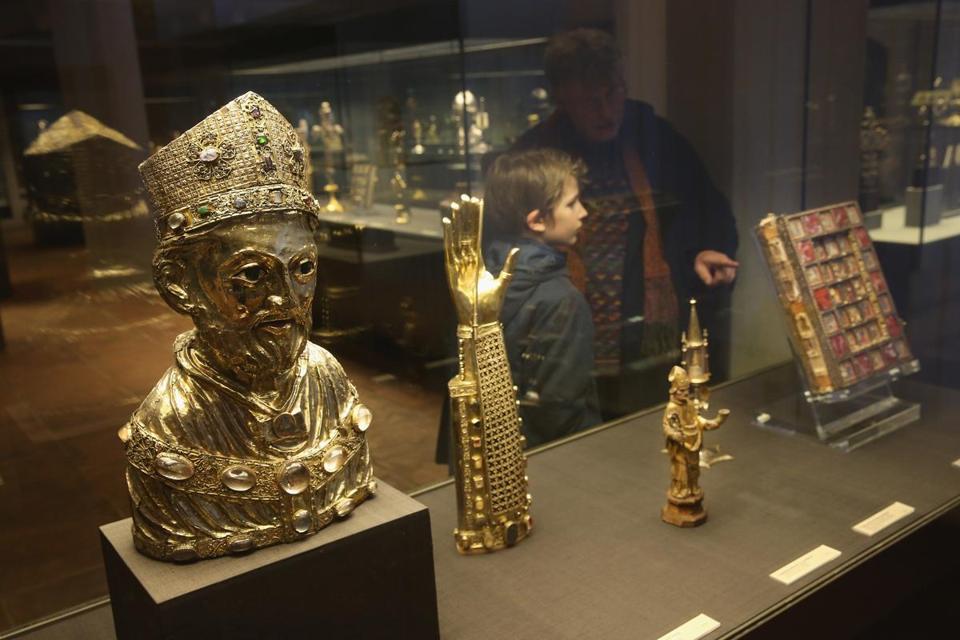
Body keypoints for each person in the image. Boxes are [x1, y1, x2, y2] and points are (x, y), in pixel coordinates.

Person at [123, 92, 375, 562]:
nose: (285, 299)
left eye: (301, 268)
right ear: (180, 285)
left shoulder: (328, 378)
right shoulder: (171, 422)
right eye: (253, 274)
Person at [513, 28, 739, 417]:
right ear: (563, 99)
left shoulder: (654, 138)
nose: (606, 111)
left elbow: (703, 204)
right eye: (590, 101)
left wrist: (705, 247)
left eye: (613, 93)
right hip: (567, 336)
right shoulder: (532, 157)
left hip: (646, 339)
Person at [482, 148, 601, 447]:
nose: (583, 212)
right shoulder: (563, 300)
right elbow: (560, 410)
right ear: (536, 221)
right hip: (551, 458)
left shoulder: (480, 276)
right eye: (572, 204)